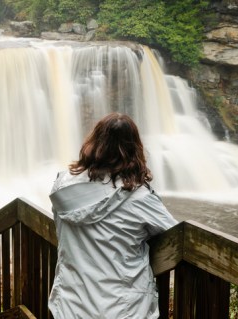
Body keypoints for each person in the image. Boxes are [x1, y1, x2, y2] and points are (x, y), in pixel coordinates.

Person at [48, 112, 178, 319]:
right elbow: (177, 237)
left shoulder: (62, 186)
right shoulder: (139, 198)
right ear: (134, 149)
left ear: (94, 142)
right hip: (123, 309)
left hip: (71, 307)